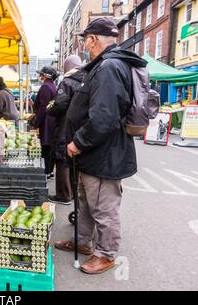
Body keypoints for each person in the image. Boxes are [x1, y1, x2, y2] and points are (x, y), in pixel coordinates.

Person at [54, 17, 148, 274]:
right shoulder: (103, 66)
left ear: (93, 39)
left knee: (103, 207)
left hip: (103, 155)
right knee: (86, 201)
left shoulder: (108, 67)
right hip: (94, 154)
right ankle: (83, 242)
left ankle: (106, 254)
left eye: (85, 40)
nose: (84, 45)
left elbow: (104, 117)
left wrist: (78, 143)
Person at [47, 55, 85, 205]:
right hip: (81, 127)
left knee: (62, 158)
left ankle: (63, 195)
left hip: (66, 126)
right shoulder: (87, 79)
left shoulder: (67, 82)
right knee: (76, 161)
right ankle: (75, 194)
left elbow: (60, 105)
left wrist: (50, 108)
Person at [33, 66, 59, 177]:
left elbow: (43, 107)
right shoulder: (53, 85)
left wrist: (36, 122)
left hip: (47, 121)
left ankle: (47, 172)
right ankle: (50, 171)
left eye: (41, 74)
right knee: (50, 147)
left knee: (46, 147)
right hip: (52, 120)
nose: (40, 76)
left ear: (45, 76)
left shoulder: (45, 87)